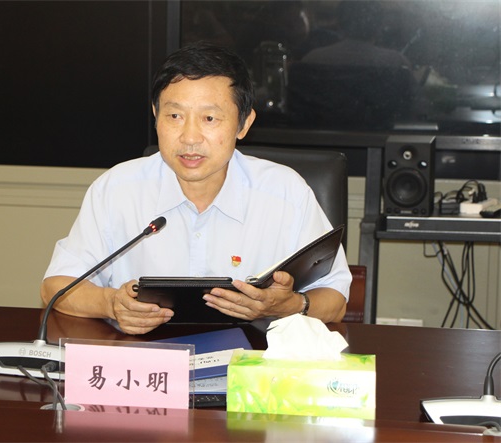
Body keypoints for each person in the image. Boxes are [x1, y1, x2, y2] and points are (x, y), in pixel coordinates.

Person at [41, 42, 351, 335]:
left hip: (250, 363)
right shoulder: (116, 189)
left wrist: (290, 306)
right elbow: (55, 287)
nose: (190, 137)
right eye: (175, 116)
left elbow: (335, 299)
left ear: (244, 123)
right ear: (155, 116)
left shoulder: (285, 193)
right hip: (144, 361)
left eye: (209, 118)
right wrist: (110, 303)